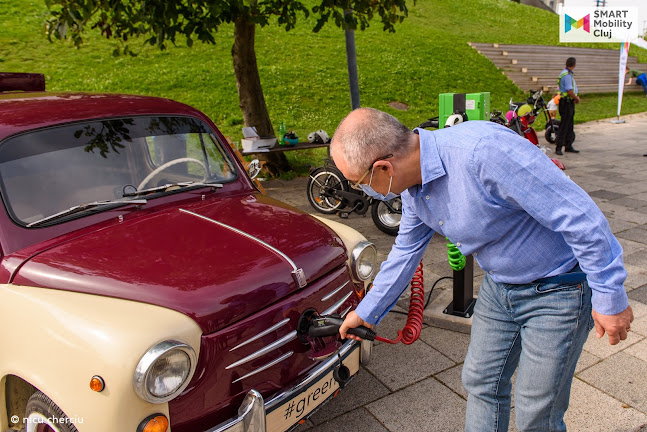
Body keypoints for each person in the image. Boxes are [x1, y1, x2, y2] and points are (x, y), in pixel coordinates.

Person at [332, 107, 633, 432]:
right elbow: (405, 251)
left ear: (383, 167)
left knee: (537, 410)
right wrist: (367, 312)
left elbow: (581, 218)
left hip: (559, 289)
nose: (362, 191)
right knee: (481, 381)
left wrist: (610, 296)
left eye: (358, 182)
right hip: (500, 287)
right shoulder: (413, 187)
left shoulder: (483, 153)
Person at [555, 57, 580, 155]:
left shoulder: (566, 73)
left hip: (568, 102)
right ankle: (559, 146)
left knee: (569, 124)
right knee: (565, 125)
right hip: (566, 102)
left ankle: (568, 145)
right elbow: (569, 90)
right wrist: (576, 98)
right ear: (574, 65)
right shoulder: (566, 75)